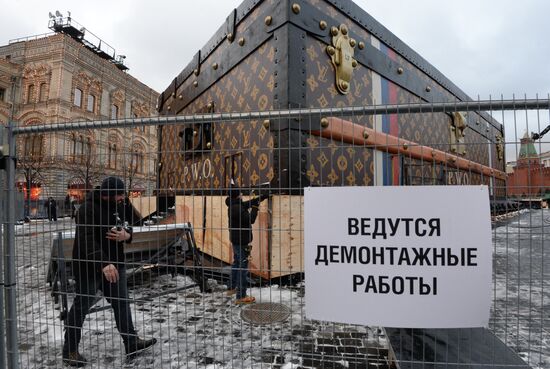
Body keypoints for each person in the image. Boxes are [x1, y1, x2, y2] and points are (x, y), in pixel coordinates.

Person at [62, 176, 156, 367]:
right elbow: (86, 239)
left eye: (123, 196)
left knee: (122, 303)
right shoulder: (87, 209)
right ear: (108, 195)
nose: (122, 199)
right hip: (90, 266)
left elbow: (137, 222)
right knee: (81, 307)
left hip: (115, 263)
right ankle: (70, 351)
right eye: (119, 196)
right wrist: (104, 263)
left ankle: (132, 343)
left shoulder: (121, 201)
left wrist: (127, 234)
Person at [225, 182, 269, 305]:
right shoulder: (237, 208)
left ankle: (231, 287)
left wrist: (259, 199)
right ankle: (241, 296)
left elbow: (244, 205)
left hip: (236, 240)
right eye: (240, 192)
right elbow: (251, 219)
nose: (241, 194)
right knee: (243, 268)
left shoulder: (233, 204)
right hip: (242, 241)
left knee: (237, 263)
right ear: (237, 195)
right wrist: (255, 208)